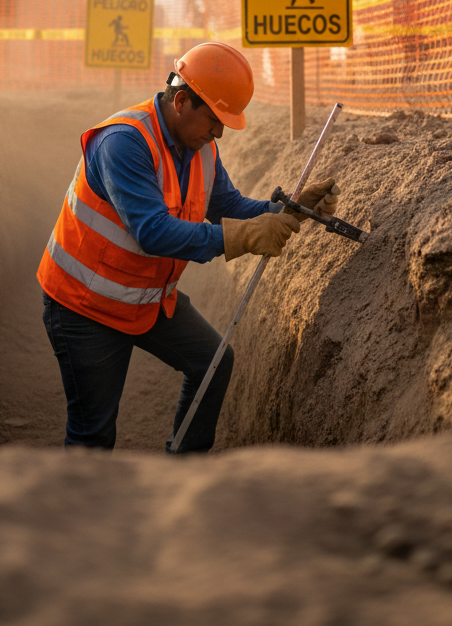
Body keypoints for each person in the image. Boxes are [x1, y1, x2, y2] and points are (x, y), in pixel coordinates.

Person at [37, 40, 339, 454]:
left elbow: (228, 206)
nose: (218, 132)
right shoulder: (123, 144)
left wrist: (288, 210)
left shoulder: (202, 147)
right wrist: (240, 237)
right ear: (181, 101)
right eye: (214, 120)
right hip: (85, 306)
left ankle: (185, 480)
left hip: (146, 298)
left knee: (213, 365)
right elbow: (154, 232)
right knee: (93, 437)